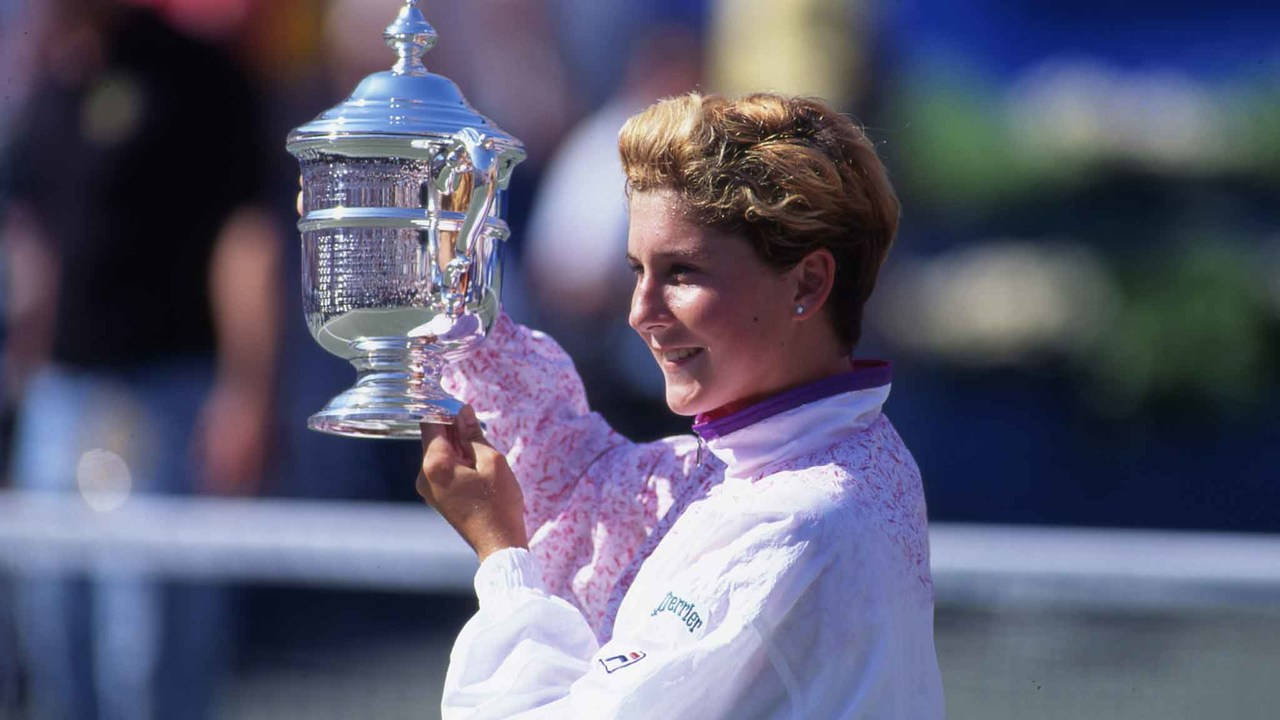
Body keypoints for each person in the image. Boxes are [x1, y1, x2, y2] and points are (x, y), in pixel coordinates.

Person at [418, 92, 944, 718]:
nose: (641, 311)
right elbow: (588, 484)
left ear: (808, 283)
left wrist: (501, 556)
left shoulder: (799, 514)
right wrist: (446, 278)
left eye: (683, 273)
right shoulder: (828, 457)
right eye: (638, 269)